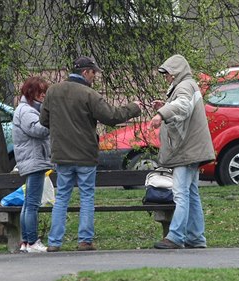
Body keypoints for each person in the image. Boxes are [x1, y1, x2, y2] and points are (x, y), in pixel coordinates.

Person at [40, 56, 142, 252]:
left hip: (61, 154)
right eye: (94, 72)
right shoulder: (89, 94)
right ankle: (84, 240)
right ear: (85, 72)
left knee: (62, 197)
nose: (95, 76)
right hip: (85, 154)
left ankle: (54, 242)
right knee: (87, 196)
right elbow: (112, 117)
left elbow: (44, 120)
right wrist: (134, 107)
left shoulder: (53, 91)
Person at [149, 54, 216, 249]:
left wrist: (161, 113)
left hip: (186, 150)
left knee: (180, 193)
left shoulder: (184, 86)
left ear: (176, 72)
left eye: (168, 74)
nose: (166, 78)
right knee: (191, 193)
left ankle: (176, 236)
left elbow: (183, 107)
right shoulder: (188, 85)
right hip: (193, 149)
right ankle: (196, 237)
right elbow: (182, 110)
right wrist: (165, 107)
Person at [12, 76, 52, 253]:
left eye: (45, 92)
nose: (43, 95)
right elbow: (37, 130)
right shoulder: (27, 111)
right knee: (33, 204)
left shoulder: (28, 109)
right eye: (40, 92)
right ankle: (33, 241)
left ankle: (25, 242)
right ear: (30, 93)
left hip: (32, 159)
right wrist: (53, 122)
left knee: (28, 203)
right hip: (34, 160)